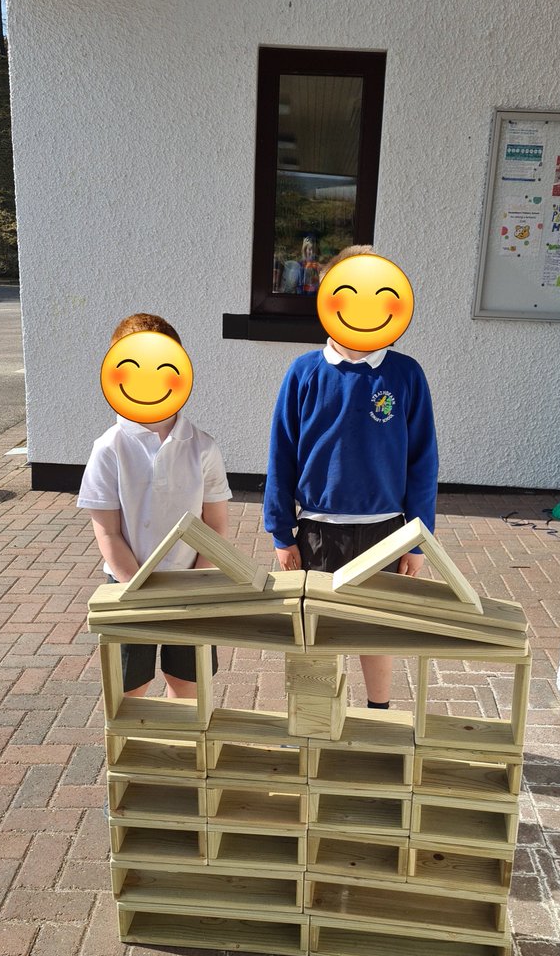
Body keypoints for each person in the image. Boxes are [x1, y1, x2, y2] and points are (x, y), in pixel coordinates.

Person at [263, 245, 438, 709]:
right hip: (318, 529)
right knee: (315, 632)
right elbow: (281, 455)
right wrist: (281, 533)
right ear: (330, 301)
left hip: (385, 531)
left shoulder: (405, 375)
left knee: (375, 630)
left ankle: (378, 714)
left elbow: (423, 462)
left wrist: (417, 541)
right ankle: (312, 722)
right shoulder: (304, 373)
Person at [78, 312, 232, 699]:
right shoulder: (108, 449)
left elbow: (214, 525)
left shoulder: (203, 447)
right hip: (127, 585)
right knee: (130, 686)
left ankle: (187, 753)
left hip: (190, 584)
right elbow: (108, 532)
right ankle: (134, 757)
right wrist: (139, 591)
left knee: (189, 683)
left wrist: (196, 581)